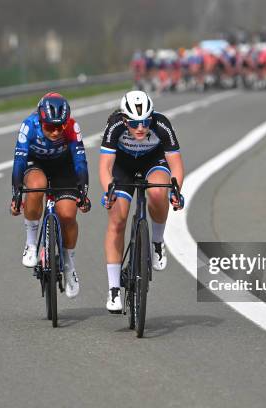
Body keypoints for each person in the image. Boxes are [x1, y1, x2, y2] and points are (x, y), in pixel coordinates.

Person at [99, 90, 185, 312]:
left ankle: (157, 242)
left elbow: (175, 165)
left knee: (158, 193)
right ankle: (114, 289)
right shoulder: (115, 125)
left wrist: (176, 191)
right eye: (135, 123)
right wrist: (108, 191)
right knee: (117, 220)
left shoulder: (162, 124)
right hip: (123, 167)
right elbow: (105, 166)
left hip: (152, 162)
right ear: (124, 119)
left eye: (145, 122)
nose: (140, 128)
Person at [10, 92, 91, 298]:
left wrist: (83, 193)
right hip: (36, 165)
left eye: (60, 127)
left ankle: (69, 264)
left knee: (67, 214)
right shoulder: (29, 125)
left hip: (63, 168)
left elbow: (80, 162)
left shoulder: (72, 127)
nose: (55, 132)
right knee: (37, 186)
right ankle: (30, 244)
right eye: (50, 127)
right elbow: (19, 161)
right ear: (40, 120)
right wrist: (16, 195)